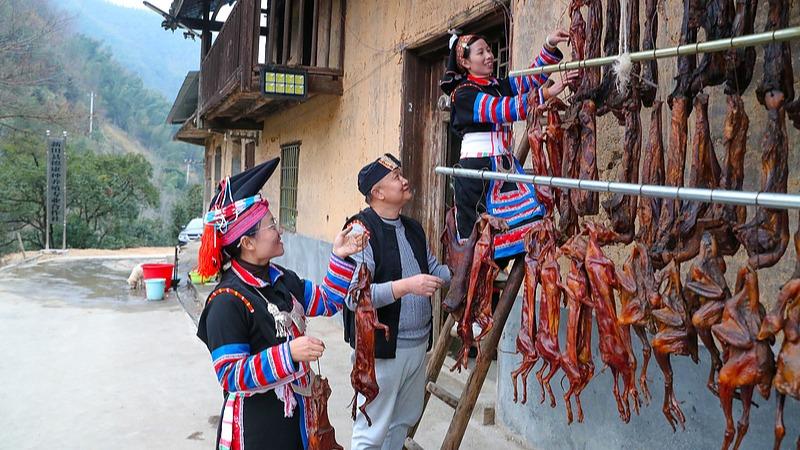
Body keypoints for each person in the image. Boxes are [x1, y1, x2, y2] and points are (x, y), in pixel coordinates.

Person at [195, 158, 367, 450]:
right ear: (247, 242)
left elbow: (326, 301)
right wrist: (289, 353)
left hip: (295, 418)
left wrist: (339, 256)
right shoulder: (226, 301)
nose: (281, 230)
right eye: (272, 225)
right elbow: (231, 375)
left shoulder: (281, 279)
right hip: (255, 429)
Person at [343, 153, 451, 450]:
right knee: (371, 429)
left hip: (417, 346)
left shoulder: (413, 228)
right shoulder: (360, 231)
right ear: (377, 192)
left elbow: (435, 269)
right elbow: (355, 297)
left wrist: (469, 267)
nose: (405, 181)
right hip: (381, 351)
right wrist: (406, 286)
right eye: (395, 178)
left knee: (401, 424)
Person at [440, 30, 579, 260]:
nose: (489, 56)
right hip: (478, 175)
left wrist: (549, 46)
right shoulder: (463, 94)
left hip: (503, 167)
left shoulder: (497, 84)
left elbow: (530, 80)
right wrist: (545, 94)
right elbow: (501, 109)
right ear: (465, 62)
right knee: (481, 248)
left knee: (534, 221)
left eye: (489, 50)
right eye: (481, 52)